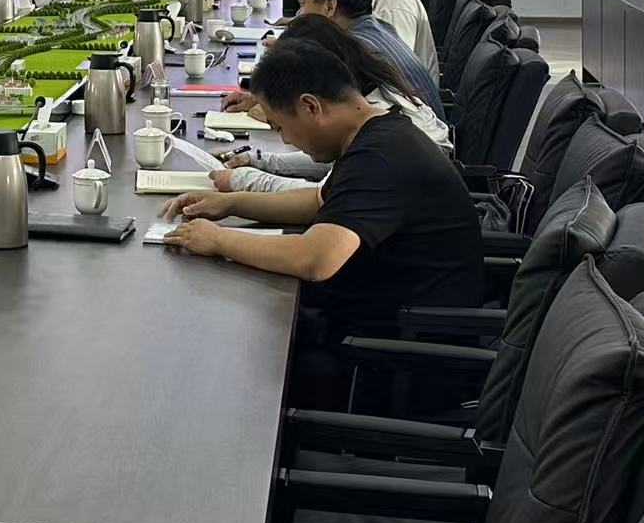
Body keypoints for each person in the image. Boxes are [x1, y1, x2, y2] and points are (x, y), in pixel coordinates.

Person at [162, 39, 483, 404]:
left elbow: (316, 258)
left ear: (311, 106)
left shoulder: (380, 157)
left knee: (226, 369)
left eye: (282, 127)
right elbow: (316, 202)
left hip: (395, 358)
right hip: (382, 323)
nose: (287, 140)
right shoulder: (379, 131)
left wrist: (219, 240)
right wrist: (230, 203)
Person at [210, 14, 450, 194]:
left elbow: (322, 196)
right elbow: (337, 166)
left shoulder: (379, 122)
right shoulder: (366, 95)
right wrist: (258, 159)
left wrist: (243, 180)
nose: (285, 139)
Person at [296, 0, 444, 121]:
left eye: (302, 3)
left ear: (330, 7)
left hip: (417, 131)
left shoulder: (352, 49)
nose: (299, 14)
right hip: (427, 128)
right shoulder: (379, 27)